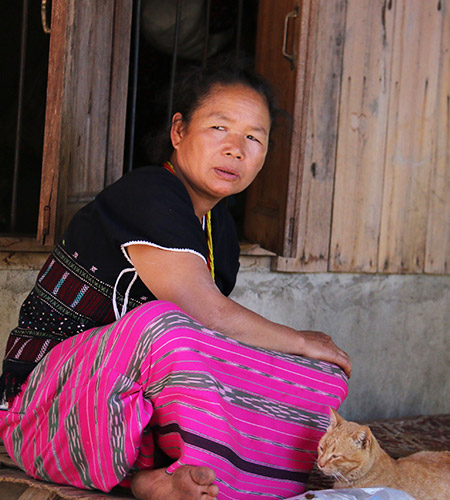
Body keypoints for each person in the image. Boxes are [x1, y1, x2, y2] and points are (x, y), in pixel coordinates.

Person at [0, 59, 351, 500]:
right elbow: (202, 311)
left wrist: (304, 358)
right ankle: (172, 470)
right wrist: (297, 339)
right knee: (164, 323)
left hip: (131, 415)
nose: (236, 149)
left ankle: (165, 476)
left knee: (323, 377)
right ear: (179, 131)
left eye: (254, 138)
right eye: (219, 128)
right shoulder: (147, 192)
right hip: (47, 410)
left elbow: (207, 343)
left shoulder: (219, 232)